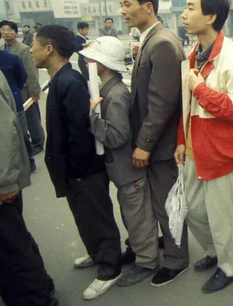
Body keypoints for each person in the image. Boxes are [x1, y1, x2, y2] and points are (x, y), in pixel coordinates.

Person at [30, 25, 122, 300]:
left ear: (49, 49)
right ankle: (97, 254)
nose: (32, 49)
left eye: (35, 44)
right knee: (84, 216)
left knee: (97, 216)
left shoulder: (69, 82)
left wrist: (80, 171)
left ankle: (110, 268)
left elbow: (81, 131)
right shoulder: (59, 79)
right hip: (72, 168)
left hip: (84, 170)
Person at [174, 0, 233, 294]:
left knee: (224, 216)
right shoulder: (193, 55)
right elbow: (186, 104)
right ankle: (214, 251)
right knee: (193, 209)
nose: (184, 13)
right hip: (194, 149)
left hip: (222, 152)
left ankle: (230, 266)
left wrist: (200, 89)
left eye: (191, 7)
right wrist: (181, 140)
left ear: (210, 16)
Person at [119, 0, 190, 287]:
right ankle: (169, 246)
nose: (123, 11)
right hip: (155, 142)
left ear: (147, 7)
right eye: (121, 4)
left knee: (168, 202)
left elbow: (162, 101)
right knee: (160, 202)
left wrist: (145, 144)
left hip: (160, 145)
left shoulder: (161, 43)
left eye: (127, 4)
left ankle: (177, 260)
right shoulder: (150, 39)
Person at [77, 36, 160, 285]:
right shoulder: (110, 89)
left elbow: (116, 136)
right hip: (123, 169)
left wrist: (92, 118)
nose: (87, 61)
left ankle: (147, 261)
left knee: (137, 217)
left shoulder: (114, 95)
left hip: (127, 169)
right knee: (132, 214)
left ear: (103, 63)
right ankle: (138, 251)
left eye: (92, 58)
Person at [0, 71, 58, 306]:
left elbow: (4, 131)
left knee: (10, 247)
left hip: (3, 182)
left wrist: (5, 181)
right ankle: (39, 288)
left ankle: (36, 298)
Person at [0, 20, 43, 160]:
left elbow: (30, 71)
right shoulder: (2, 47)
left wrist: (34, 90)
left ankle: (38, 142)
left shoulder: (23, 49)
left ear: (16, 33)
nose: (6, 32)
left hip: (23, 88)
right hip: (8, 91)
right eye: (3, 29)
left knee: (31, 117)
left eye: (9, 30)